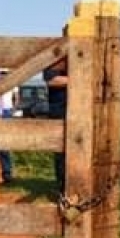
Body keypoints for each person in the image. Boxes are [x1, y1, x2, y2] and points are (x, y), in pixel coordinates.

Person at [43, 58, 68, 194]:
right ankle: (62, 187)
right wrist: (77, 79)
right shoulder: (54, 58)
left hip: (79, 108)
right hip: (59, 109)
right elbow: (51, 80)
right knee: (61, 151)